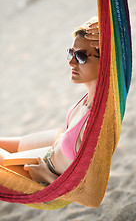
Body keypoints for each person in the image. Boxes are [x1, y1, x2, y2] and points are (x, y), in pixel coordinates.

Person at [0, 17, 100, 185]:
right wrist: (106, 24)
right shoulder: (89, 98)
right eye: (71, 52)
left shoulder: (96, 120)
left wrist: (45, 176)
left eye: (81, 57)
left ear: (107, 61)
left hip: (44, 170)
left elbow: (87, 190)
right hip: (53, 146)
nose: (71, 62)